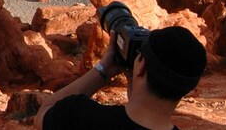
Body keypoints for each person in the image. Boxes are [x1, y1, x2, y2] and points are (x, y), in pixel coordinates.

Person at [34, 25, 207, 130]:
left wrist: (104, 69)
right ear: (189, 88)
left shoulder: (81, 117)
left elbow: (44, 112)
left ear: (142, 67)